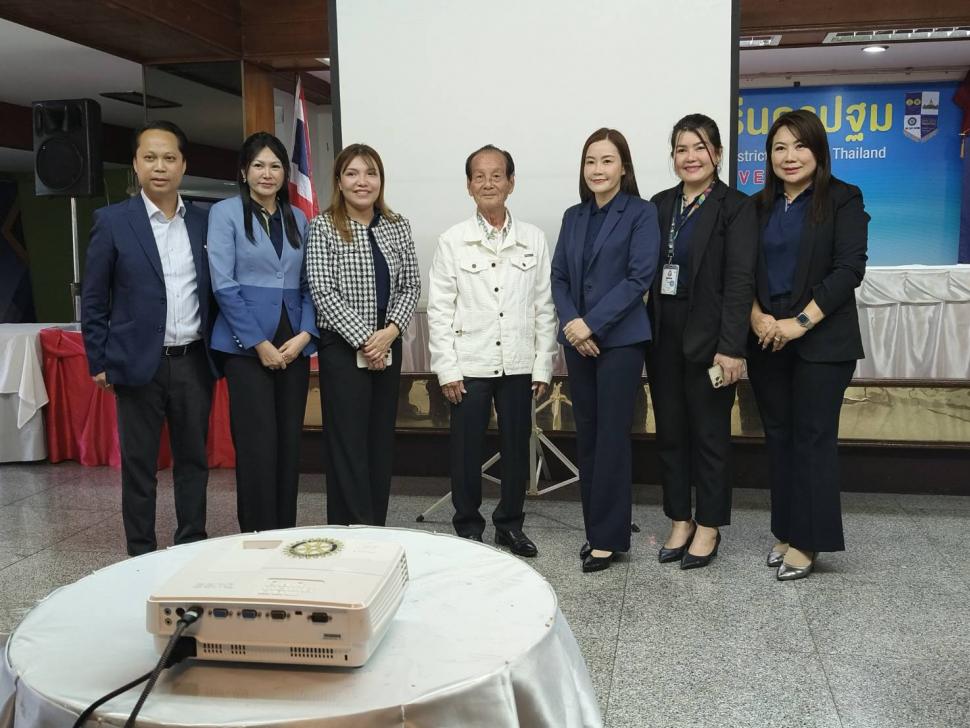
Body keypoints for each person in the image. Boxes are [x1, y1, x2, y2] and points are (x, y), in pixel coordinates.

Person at [81, 120, 215, 556]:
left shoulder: (205, 221)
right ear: (136, 164)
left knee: (193, 461)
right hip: (138, 363)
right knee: (139, 467)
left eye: (169, 158)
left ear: (183, 165)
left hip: (193, 361)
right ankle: (140, 555)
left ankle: (191, 545)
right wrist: (99, 360)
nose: (160, 167)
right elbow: (94, 298)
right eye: (151, 158)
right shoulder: (112, 221)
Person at [747, 109, 868, 581]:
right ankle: (787, 529)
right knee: (779, 437)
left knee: (812, 439)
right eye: (779, 147)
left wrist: (800, 322)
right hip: (767, 340)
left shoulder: (843, 198)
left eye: (799, 145)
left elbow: (849, 270)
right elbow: (741, 270)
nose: (789, 156)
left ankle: (809, 540)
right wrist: (757, 316)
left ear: (818, 150)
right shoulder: (757, 207)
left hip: (823, 341)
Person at [427, 144, 557, 556]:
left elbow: (545, 306)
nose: (488, 183)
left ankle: (510, 525)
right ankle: (468, 527)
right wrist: (447, 369)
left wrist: (543, 365)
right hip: (470, 362)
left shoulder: (533, 239)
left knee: (517, 449)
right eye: (479, 176)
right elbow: (440, 310)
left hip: (518, 362)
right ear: (469, 186)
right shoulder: (453, 241)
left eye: (496, 175)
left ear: (511, 182)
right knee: (466, 451)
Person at [646, 114, 757, 569]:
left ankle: (709, 525)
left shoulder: (737, 207)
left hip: (712, 341)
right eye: (681, 149)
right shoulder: (660, 204)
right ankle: (680, 519)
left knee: (709, 436)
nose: (690, 157)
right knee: (670, 433)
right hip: (662, 337)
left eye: (699, 147)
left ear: (717, 154)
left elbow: (741, 281)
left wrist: (732, 347)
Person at [550, 128, 660, 573]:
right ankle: (595, 528)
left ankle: (609, 539)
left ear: (624, 167)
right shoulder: (573, 216)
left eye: (607, 160)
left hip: (620, 342)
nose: (597, 169)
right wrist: (573, 326)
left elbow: (639, 278)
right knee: (589, 436)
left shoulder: (641, 212)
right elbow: (559, 277)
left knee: (612, 437)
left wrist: (590, 324)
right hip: (578, 342)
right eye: (591, 161)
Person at [207, 132, 317, 533]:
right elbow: (223, 285)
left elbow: (310, 284)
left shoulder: (298, 218)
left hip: (293, 343)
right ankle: (256, 535)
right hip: (246, 347)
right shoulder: (225, 213)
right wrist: (258, 343)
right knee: (257, 445)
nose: (267, 173)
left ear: (285, 173)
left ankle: (284, 531)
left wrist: (306, 335)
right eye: (258, 165)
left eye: (275, 166)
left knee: (288, 444)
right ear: (243, 171)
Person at [306, 144, 420, 526]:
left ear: (380, 180)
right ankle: (353, 529)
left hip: (388, 342)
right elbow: (322, 292)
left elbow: (411, 285)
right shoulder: (323, 226)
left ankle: (376, 528)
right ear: (339, 181)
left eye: (371, 173)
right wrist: (366, 340)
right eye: (352, 173)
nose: (362, 182)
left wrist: (389, 333)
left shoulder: (397, 225)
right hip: (342, 348)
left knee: (379, 442)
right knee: (348, 444)